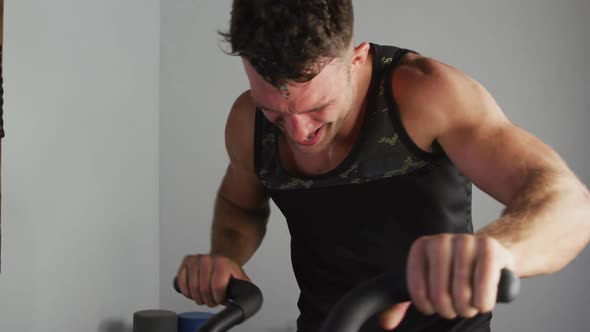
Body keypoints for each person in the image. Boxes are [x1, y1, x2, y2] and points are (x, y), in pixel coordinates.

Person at [175, 1, 590, 331]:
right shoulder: (247, 121)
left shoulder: (424, 94)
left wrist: (497, 250)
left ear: (356, 60)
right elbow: (241, 206)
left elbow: (571, 206)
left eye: (318, 107)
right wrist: (225, 257)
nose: (299, 133)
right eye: (276, 113)